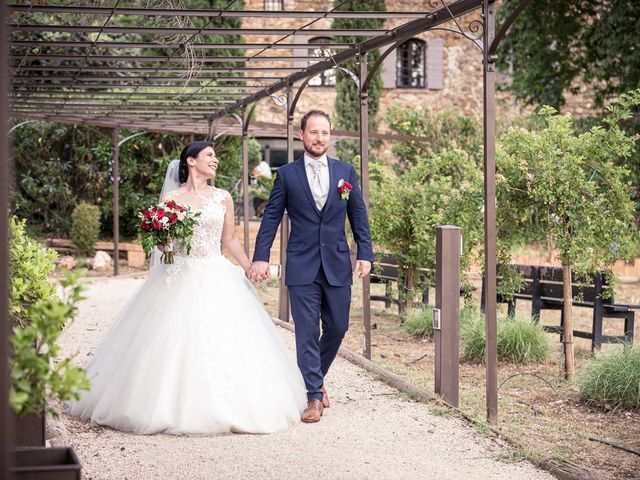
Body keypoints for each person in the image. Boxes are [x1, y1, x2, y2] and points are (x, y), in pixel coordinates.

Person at [69, 141, 306, 435]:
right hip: (179, 272)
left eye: (215, 156)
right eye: (209, 155)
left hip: (215, 271)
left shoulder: (223, 198)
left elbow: (229, 240)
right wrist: (162, 238)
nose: (215, 160)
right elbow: (162, 243)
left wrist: (248, 265)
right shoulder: (171, 198)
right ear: (191, 161)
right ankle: (161, 405)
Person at [250, 110, 373, 423]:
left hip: (336, 262)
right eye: (314, 132)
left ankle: (313, 379)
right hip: (302, 264)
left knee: (338, 327)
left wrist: (365, 252)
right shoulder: (287, 175)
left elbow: (358, 214)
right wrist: (261, 255)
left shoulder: (345, 171)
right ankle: (314, 396)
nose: (320, 138)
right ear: (301, 135)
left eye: (324, 133)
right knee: (306, 332)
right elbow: (271, 217)